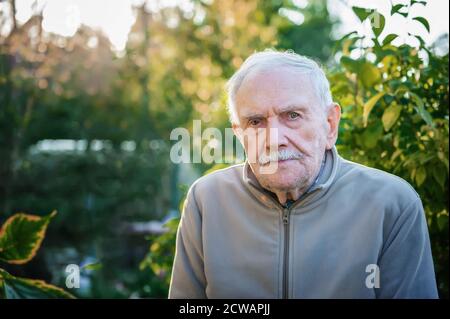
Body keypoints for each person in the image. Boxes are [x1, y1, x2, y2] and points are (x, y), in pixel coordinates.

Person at [168, 50, 438, 299]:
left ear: (330, 125)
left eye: (292, 115)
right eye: (255, 122)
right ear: (238, 133)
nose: (274, 140)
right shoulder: (207, 201)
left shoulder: (392, 204)